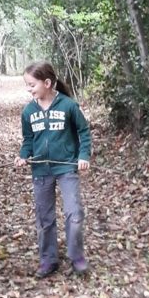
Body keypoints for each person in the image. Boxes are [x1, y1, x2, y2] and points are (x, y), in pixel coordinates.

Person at [15, 61, 91, 278]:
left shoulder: (68, 106)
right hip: (41, 170)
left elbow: (84, 132)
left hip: (66, 167)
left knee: (74, 213)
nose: (29, 89)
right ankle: (48, 259)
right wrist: (23, 156)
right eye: (27, 85)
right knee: (44, 217)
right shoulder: (28, 111)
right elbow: (28, 140)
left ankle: (76, 256)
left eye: (32, 85)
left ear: (47, 83)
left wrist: (83, 156)